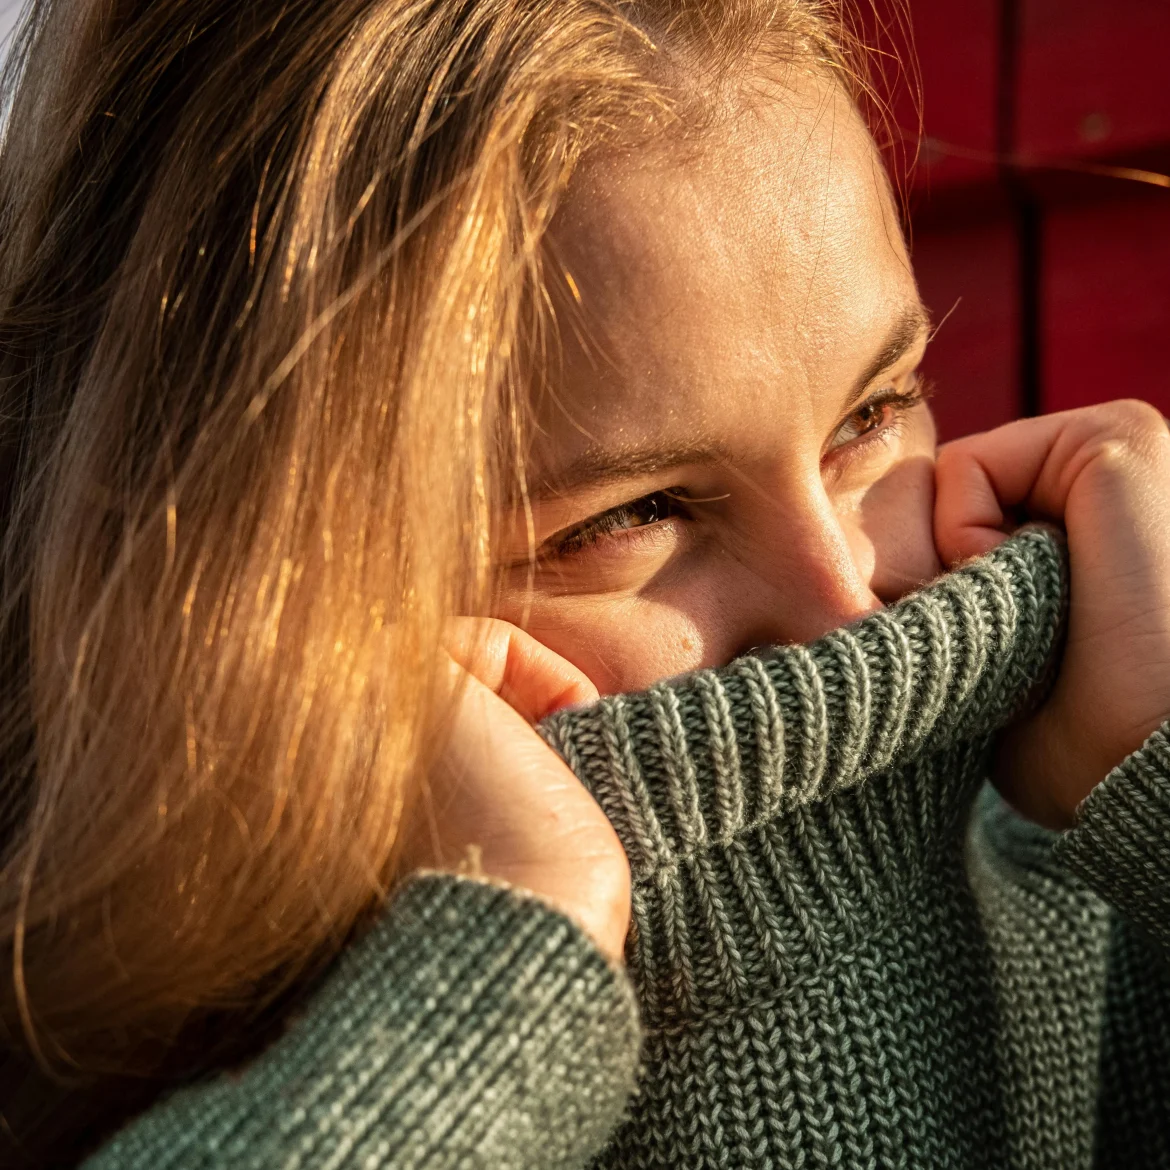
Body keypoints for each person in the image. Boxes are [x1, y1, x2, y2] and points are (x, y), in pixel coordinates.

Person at [1, 0, 1169, 1165]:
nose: (846, 606)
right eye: (632, 513)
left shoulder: (1113, 917)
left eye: (873, 412)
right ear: (248, 582)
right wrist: (472, 1021)